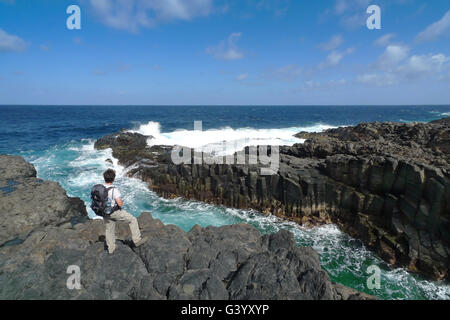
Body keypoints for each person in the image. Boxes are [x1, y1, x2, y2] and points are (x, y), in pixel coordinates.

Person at [102, 169, 147, 254]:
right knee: (132, 219)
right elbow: (120, 203)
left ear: (104, 178)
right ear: (113, 179)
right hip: (114, 212)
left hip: (104, 212)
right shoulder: (114, 190)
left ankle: (111, 248)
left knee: (109, 229)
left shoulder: (101, 188)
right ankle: (137, 240)